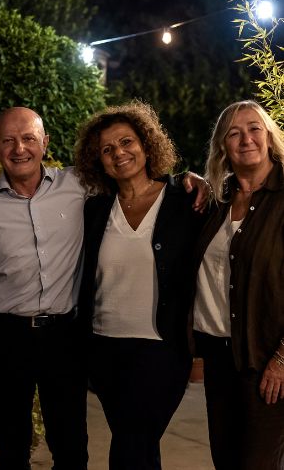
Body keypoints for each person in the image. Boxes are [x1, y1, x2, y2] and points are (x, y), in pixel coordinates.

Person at [0, 106, 208, 470]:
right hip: (8, 336)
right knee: (12, 447)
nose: (19, 148)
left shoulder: (77, 185)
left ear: (45, 143)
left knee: (73, 448)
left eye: (29, 138)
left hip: (66, 336)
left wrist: (192, 178)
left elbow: (140, 178)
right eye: (8, 140)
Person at [74, 101, 203, 470]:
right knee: (139, 445)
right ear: (99, 161)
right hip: (104, 349)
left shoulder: (185, 201)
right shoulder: (95, 209)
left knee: (131, 444)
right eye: (107, 149)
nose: (119, 153)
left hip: (162, 349)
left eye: (126, 142)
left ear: (147, 145)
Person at [192, 100, 284, 470]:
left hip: (268, 359)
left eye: (254, 129)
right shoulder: (217, 201)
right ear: (223, 147)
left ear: (270, 138)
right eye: (234, 133)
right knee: (225, 459)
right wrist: (189, 179)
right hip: (219, 358)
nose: (246, 139)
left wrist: (282, 360)